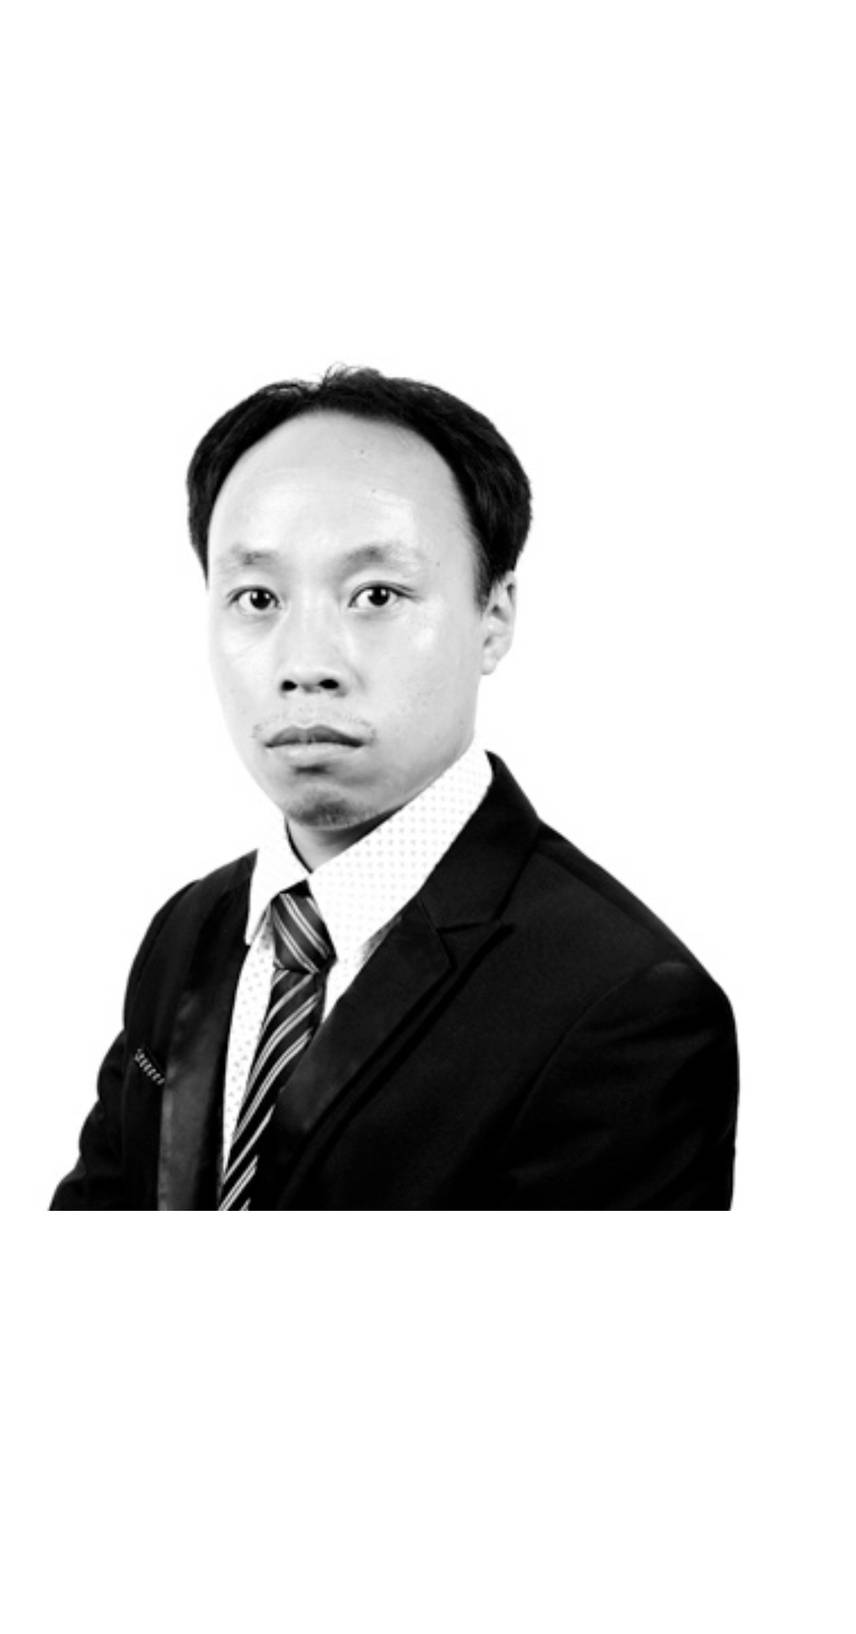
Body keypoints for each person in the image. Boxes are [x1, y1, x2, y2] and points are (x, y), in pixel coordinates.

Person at [50, 366, 739, 1210]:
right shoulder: (190, 929)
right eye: (256, 597)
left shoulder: (626, 1004)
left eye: (376, 595)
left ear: (495, 617)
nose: (306, 665)